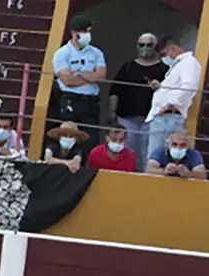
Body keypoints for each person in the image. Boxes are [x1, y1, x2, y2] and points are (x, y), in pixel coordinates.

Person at [107, 32, 167, 171]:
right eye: (142, 45)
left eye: (149, 45)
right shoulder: (127, 67)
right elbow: (115, 91)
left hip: (153, 119)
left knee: (150, 154)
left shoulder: (164, 69)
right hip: (127, 118)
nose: (145, 48)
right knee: (128, 152)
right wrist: (112, 113)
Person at [49, 15, 105, 154]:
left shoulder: (96, 53)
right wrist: (89, 77)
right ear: (75, 33)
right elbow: (68, 80)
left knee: (90, 141)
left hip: (90, 102)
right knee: (68, 139)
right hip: (71, 100)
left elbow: (101, 76)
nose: (88, 35)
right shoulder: (62, 53)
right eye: (85, 31)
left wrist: (80, 74)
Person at [145, 35, 201, 160]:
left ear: (172, 49)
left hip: (168, 115)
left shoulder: (189, 63)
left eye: (165, 54)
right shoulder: (178, 65)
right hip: (163, 116)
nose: (165, 58)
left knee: (157, 158)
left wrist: (170, 104)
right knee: (153, 156)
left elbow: (189, 86)